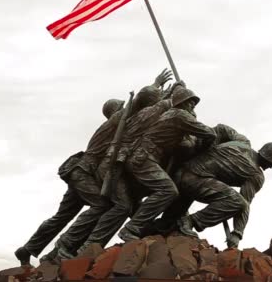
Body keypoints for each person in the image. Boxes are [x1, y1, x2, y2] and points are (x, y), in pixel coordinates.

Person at [14, 69, 173, 265]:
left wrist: (163, 96)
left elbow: (143, 113)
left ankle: (28, 249)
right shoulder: (116, 122)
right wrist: (158, 87)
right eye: (123, 108)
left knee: (62, 216)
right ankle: (65, 246)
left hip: (80, 172)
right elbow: (140, 104)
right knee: (102, 205)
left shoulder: (120, 126)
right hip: (84, 173)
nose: (126, 110)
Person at [117, 87, 217, 241]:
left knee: (166, 191)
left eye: (194, 104)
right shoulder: (180, 115)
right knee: (168, 190)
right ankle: (131, 228)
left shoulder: (172, 115)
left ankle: (149, 228)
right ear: (182, 103)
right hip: (143, 158)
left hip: (147, 157)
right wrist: (205, 147)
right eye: (190, 103)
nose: (193, 106)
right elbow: (210, 133)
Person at [161, 124, 272, 248]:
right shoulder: (256, 176)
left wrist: (211, 147)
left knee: (166, 224)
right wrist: (237, 233)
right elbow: (244, 204)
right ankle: (188, 222)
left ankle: (156, 230)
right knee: (236, 201)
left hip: (181, 172)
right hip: (193, 181)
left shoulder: (241, 141)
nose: (270, 167)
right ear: (267, 160)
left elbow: (220, 129)